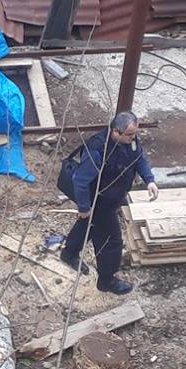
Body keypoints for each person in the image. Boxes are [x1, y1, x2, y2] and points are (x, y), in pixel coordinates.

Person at [57, 110, 158, 294]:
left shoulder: (130, 141)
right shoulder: (97, 150)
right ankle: (106, 280)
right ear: (115, 131)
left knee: (87, 224)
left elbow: (139, 158)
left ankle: (69, 253)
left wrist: (149, 180)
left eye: (134, 133)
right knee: (111, 242)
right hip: (99, 201)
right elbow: (80, 181)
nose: (133, 138)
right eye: (129, 134)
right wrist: (84, 207)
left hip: (113, 197)